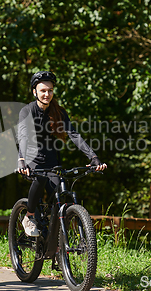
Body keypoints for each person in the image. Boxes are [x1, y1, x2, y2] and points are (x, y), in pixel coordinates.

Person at [17, 71, 106, 237]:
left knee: (59, 190)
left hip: (52, 159)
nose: (47, 94)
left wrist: (93, 157)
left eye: (50, 90)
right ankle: (29, 216)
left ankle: (55, 240)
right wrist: (21, 159)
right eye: (43, 90)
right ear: (34, 92)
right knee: (41, 178)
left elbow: (74, 135)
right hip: (31, 160)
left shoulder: (58, 111)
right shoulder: (27, 111)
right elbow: (22, 136)